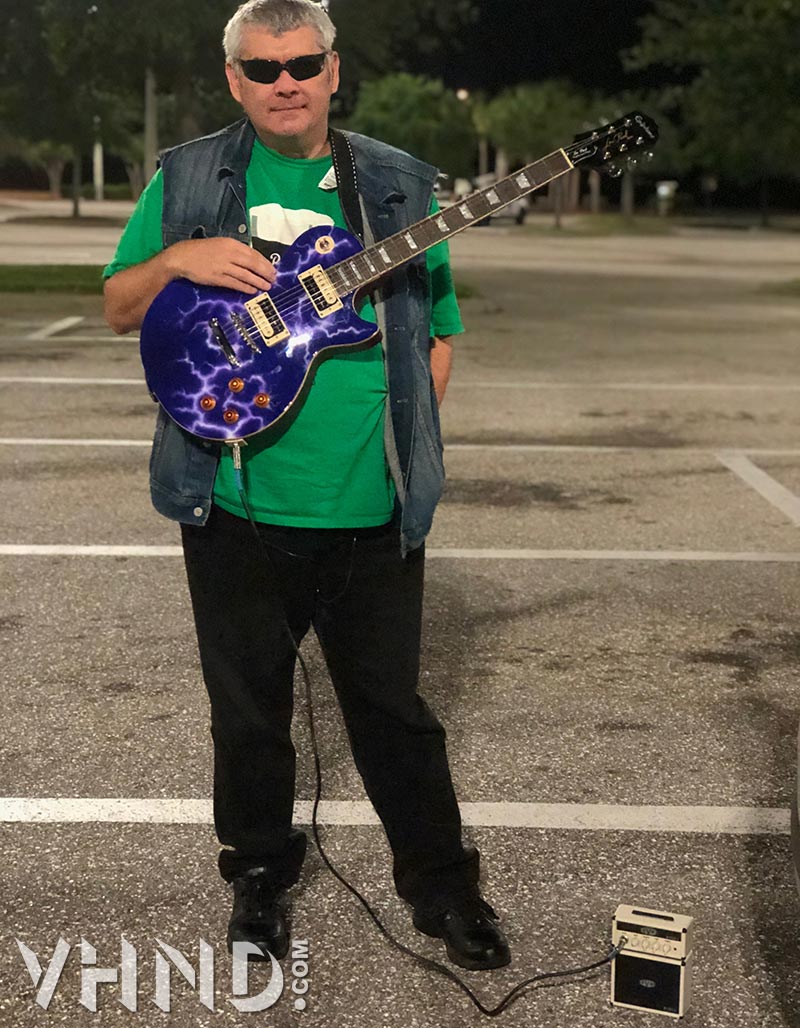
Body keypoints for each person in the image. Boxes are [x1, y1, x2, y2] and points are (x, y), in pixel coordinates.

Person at [103, 0, 510, 972]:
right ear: (235, 80)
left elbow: (441, 326)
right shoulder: (189, 175)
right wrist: (176, 259)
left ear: (334, 71)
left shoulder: (402, 189)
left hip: (369, 509)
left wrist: (402, 440)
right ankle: (256, 873)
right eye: (262, 66)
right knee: (247, 714)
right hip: (234, 502)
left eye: (301, 62)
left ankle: (442, 886)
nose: (284, 81)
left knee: (394, 713)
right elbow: (120, 306)